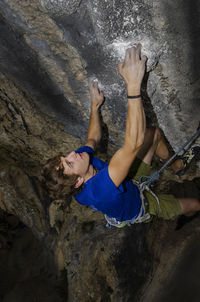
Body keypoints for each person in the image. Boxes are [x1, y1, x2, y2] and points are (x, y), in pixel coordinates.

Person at [42, 44, 200, 227]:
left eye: (65, 157)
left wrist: (94, 107)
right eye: (69, 162)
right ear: (78, 181)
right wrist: (133, 84)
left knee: (153, 135)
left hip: (128, 182)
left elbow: (92, 140)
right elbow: (133, 143)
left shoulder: (80, 166)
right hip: (142, 205)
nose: (72, 154)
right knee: (196, 204)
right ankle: (187, 214)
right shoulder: (99, 190)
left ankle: (178, 165)